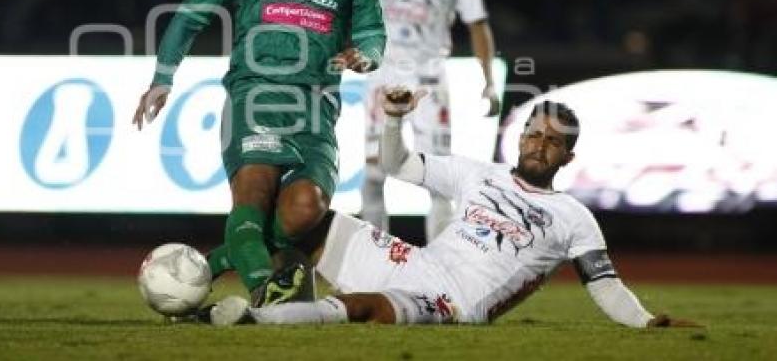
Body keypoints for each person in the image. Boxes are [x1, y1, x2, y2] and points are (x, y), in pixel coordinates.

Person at [132, 0, 386, 307]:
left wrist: (365, 55)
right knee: (252, 195)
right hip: (257, 96)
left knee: (304, 211)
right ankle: (267, 294)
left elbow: (372, 31)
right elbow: (190, 16)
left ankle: (205, 268)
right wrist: (163, 78)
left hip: (317, 107)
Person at [208, 87, 699, 328]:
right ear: (522, 134)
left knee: (361, 309)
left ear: (567, 156)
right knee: (298, 219)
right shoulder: (478, 174)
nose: (538, 144)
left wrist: (644, 321)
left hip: (456, 302)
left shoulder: (574, 216)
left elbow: (605, 285)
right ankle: (199, 273)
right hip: (415, 261)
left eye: (552, 141)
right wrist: (396, 119)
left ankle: (256, 319)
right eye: (534, 132)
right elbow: (397, 162)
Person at [363, 0, 499, 241]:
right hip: (382, 75)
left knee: (437, 176)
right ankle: (372, 260)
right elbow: (353, 9)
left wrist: (488, 81)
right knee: (374, 173)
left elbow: (478, 25)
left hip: (429, 78)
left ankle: (438, 268)